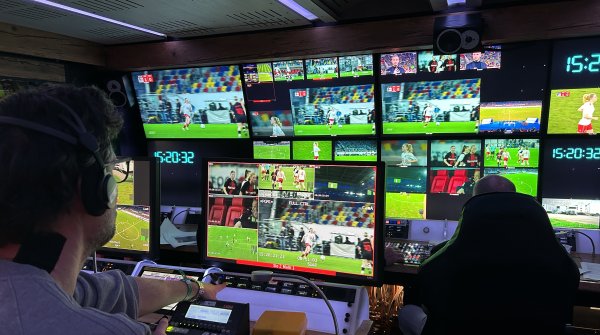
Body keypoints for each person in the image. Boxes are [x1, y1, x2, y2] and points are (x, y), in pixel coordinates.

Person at [0, 84, 225, 335]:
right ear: (95, 188)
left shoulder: (31, 279)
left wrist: (192, 288)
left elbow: (114, 293)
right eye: (111, 170)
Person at [393, 175, 517, 334]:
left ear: (473, 203)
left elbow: (422, 290)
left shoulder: (444, 254)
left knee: (407, 311)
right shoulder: (547, 248)